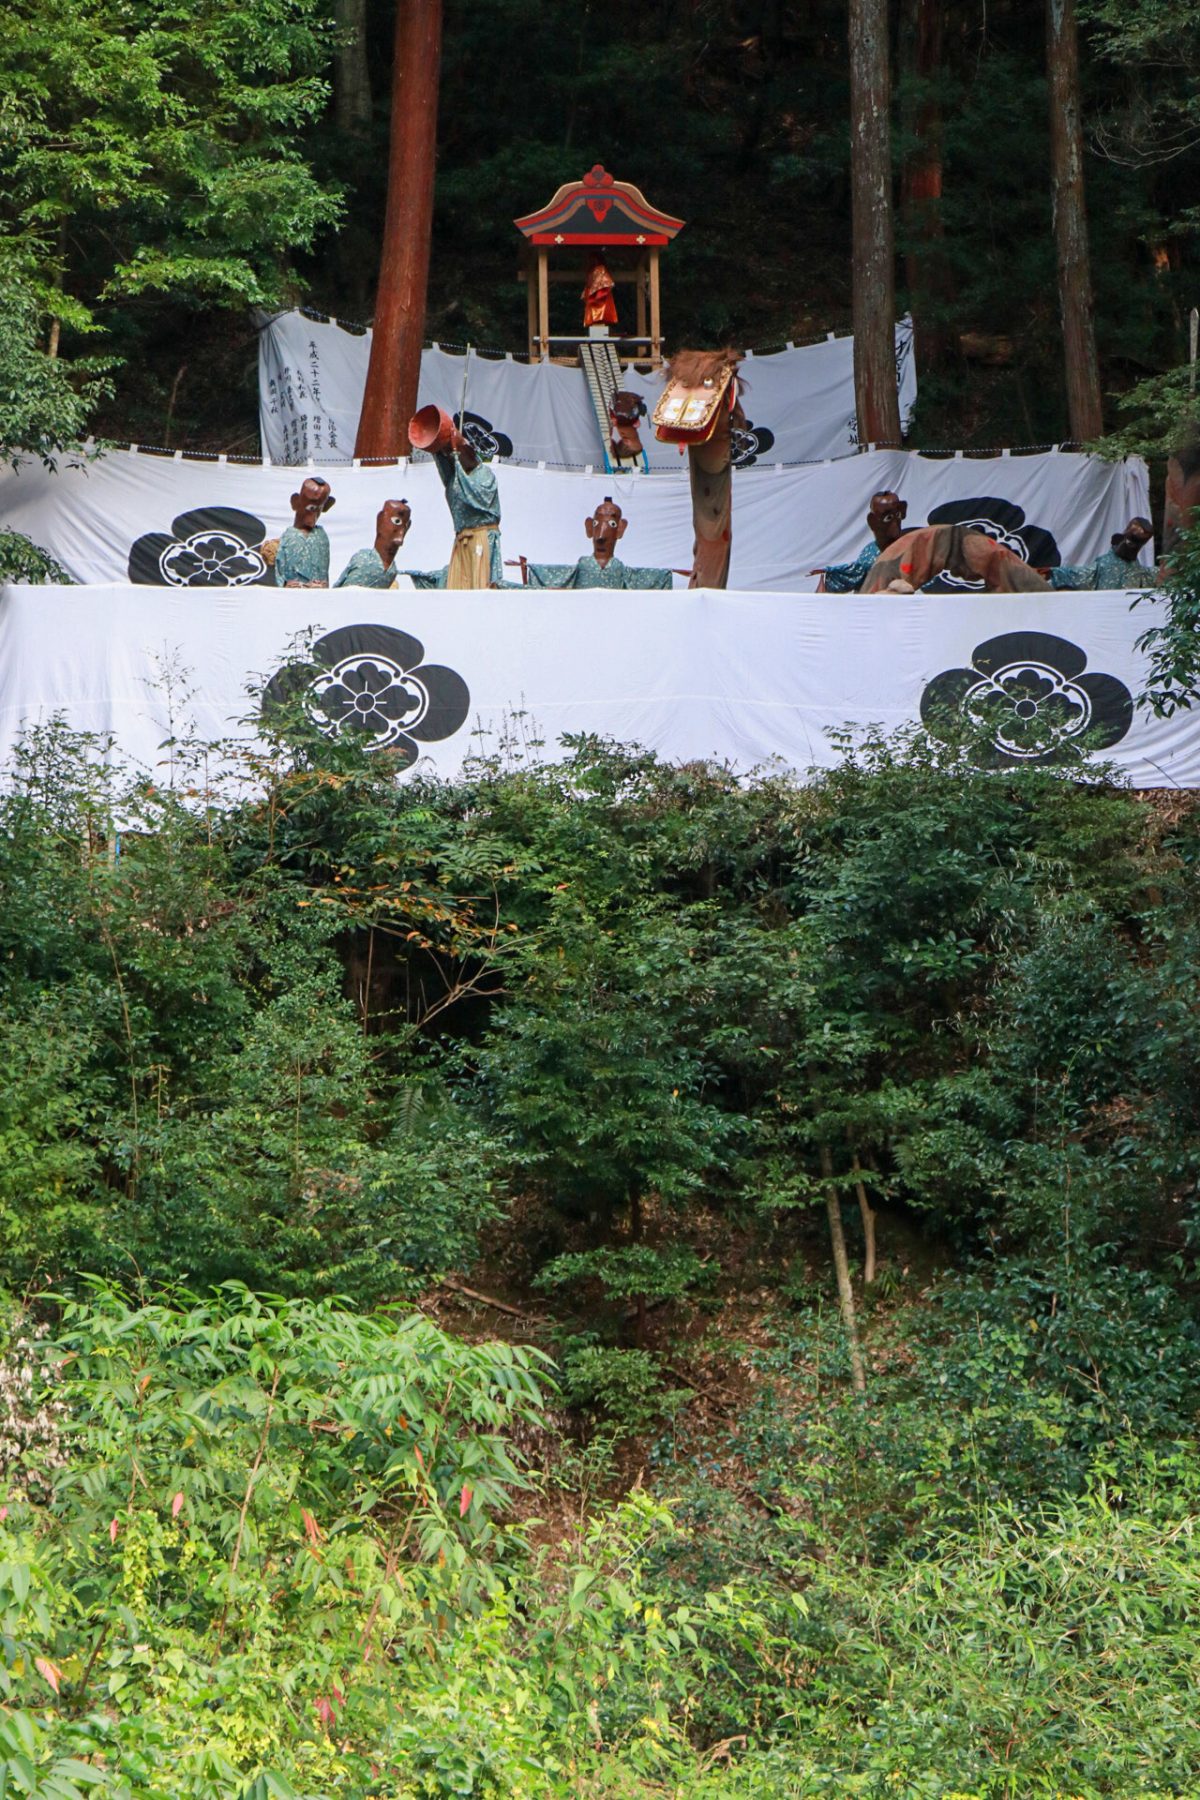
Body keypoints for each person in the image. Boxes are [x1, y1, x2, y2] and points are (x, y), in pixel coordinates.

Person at [412, 427, 503, 589]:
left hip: (480, 538)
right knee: (457, 587)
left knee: (481, 585)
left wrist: (455, 452)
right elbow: (449, 479)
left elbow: (473, 496)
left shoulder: (484, 474)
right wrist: (438, 451)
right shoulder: (456, 478)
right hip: (462, 540)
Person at [521, 498, 673, 589]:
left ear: (620, 529)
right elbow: (555, 575)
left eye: (611, 524)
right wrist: (531, 568)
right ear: (590, 527)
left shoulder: (619, 569)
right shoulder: (584, 565)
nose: (601, 536)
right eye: (596, 523)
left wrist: (669, 573)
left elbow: (650, 579)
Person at [820, 491, 908, 592]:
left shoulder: (911, 545)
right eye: (888, 517)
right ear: (873, 520)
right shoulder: (872, 550)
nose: (895, 522)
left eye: (898, 514)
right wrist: (832, 572)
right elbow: (858, 571)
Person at [1049, 516, 1157, 589]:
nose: (1130, 545)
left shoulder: (1141, 574)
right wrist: (1052, 573)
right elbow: (1079, 575)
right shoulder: (1104, 565)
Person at [334, 499, 412, 589]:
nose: (400, 532)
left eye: (405, 526)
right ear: (380, 520)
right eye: (396, 521)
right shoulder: (363, 559)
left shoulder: (392, 571)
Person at [274, 477, 335, 586]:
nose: (313, 513)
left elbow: (323, 572)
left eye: (319, 508)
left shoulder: (321, 537)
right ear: (296, 502)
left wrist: (322, 585)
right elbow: (278, 571)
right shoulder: (288, 537)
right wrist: (284, 584)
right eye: (311, 507)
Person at [582, 252, 618, 329]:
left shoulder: (601, 269)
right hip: (592, 294)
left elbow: (605, 283)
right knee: (593, 311)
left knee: (600, 312)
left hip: (599, 295)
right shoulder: (592, 271)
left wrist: (594, 292)